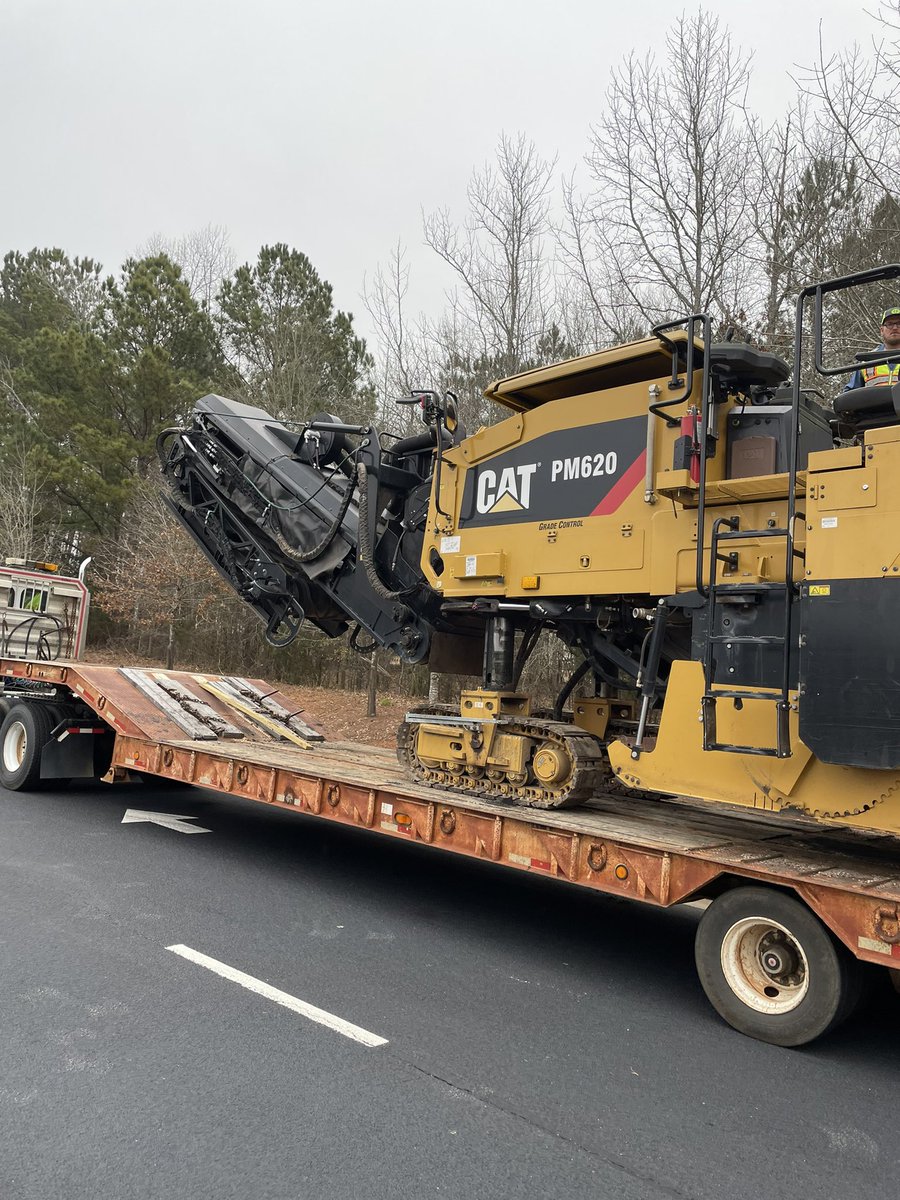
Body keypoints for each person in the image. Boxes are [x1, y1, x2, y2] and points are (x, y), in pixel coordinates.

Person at [843, 307, 900, 390]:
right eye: (890, 324)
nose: (895, 328)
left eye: (899, 323)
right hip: (876, 403)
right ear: (881, 330)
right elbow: (849, 394)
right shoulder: (867, 360)